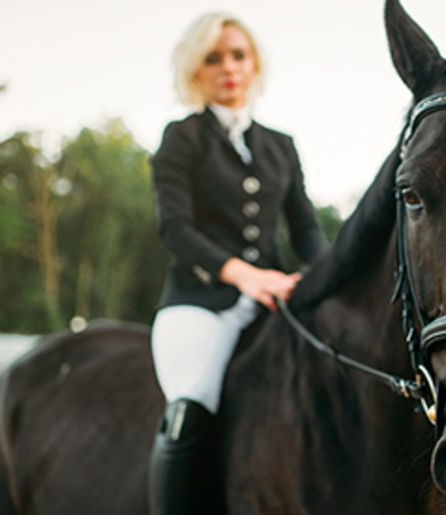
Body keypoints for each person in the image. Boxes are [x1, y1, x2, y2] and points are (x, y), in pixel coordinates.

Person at [147, 12, 326, 514]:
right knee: (191, 400)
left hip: (277, 296)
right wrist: (246, 276)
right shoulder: (182, 138)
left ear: (254, 64)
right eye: (213, 58)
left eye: (238, 55)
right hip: (201, 302)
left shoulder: (280, 145)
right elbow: (176, 230)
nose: (229, 67)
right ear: (196, 71)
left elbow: (307, 229)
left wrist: (327, 279)